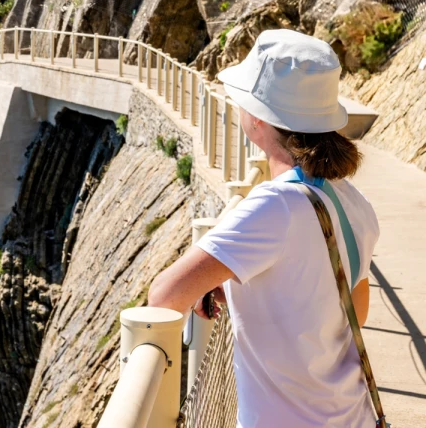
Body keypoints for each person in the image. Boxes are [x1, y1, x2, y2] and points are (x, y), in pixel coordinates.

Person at [148, 29, 380, 428]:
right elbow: (354, 309)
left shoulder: (274, 207)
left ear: (257, 117)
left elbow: (165, 295)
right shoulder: (353, 202)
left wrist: (214, 280)